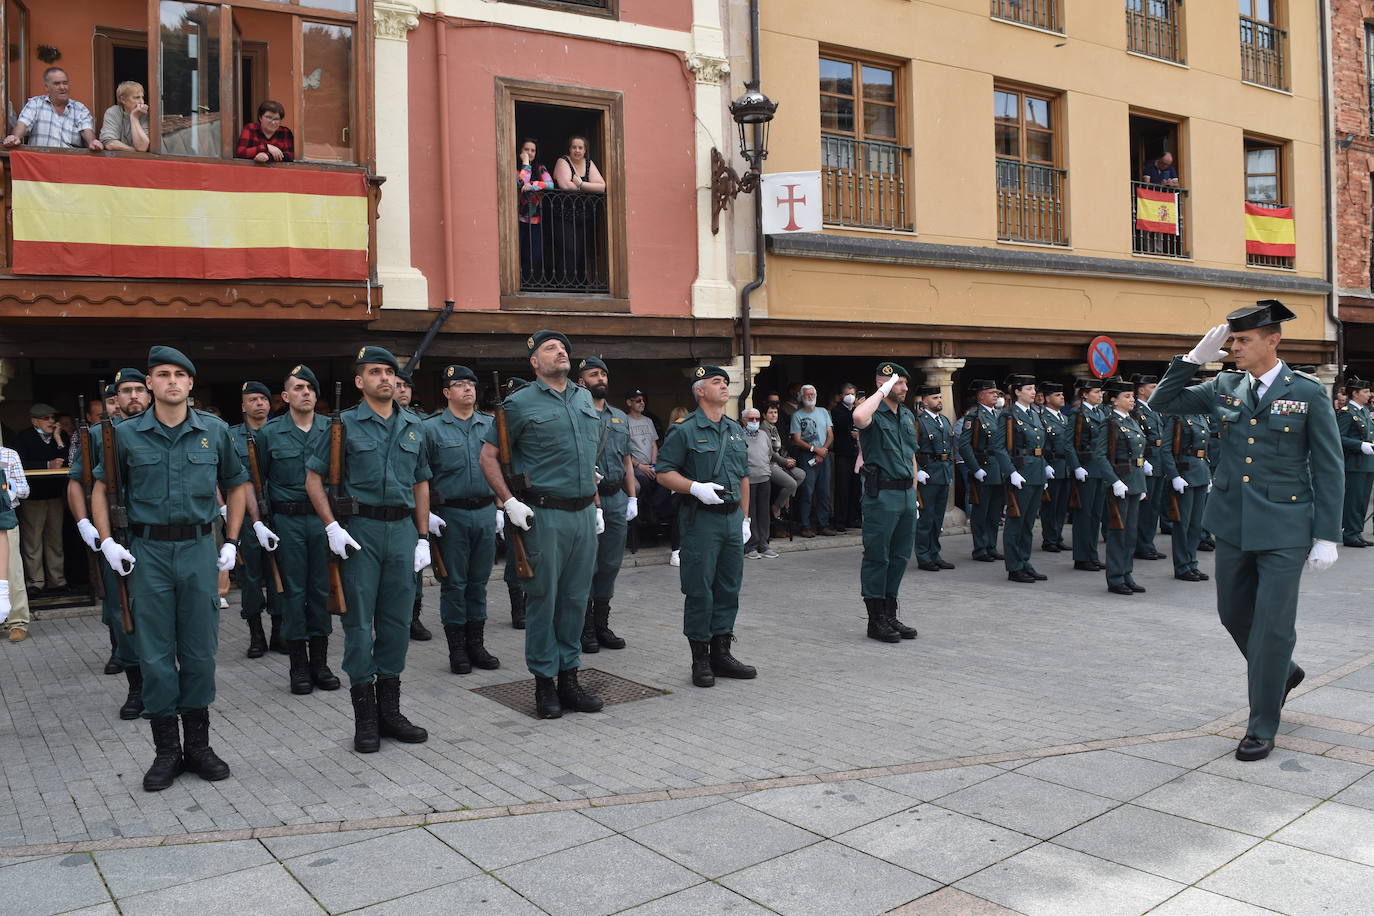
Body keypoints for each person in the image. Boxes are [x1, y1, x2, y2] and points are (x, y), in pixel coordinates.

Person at [1151, 301, 1343, 761]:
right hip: (1232, 523)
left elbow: (1329, 465)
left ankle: (1261, 724)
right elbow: (1161, 404)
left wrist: (1326, 535)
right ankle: (1285, 673)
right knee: (1234, 616)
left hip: (1285, 527)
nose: (1233, 347)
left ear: (1272, 341)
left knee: (1272, 629)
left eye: (1242, 340)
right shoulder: (1223, 384)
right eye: (1231, 340)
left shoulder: (1308, 392)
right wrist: (1192, 361)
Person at [91, 346, 247, 792]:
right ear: (151, 383)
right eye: (163, 374)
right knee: (155, 654)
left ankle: (198, 746)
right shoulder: (125, 435)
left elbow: (237, 486)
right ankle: (166, 751)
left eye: (181, 374)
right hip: (148, 553)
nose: (172, 381)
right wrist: (106, 542)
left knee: (199, 651)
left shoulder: (214, 432)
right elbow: (100, 489)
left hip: (199, 547)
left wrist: (232, 541)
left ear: (191, 384)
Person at [306, 346, 433, 753]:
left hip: (400, 529)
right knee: (360, 626)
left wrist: (423, 536)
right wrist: (331, 527)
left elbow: (421, 483)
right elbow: (313, 478)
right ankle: (365, 718)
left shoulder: (414, 426)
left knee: (396, 622)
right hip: (359, 531)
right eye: (375, 372)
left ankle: (390, 712)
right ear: (359, 382)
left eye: (390, 373)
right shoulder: (342, 426)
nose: (385, 379)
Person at [479, 331, 604, 718]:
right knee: (543, 600)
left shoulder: (585, 397)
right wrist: (509, 501)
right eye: (550, 348)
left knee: (575, 600)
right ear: (534, 362)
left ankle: (570, 679)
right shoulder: (518, 403)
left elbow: (588, 454)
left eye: (563, 347)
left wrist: (596, 502)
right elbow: (488, 457)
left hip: (583, 514)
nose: (561, 351)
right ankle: (544, 685)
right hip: (545, 514)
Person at [654, 366, 757, 686]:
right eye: (717, 382)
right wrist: (695, 487)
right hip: (700, 520)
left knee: (728, 587)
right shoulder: (684, 429)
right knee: (700, 589)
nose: (725, 386)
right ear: (700, 391)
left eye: (726, 382)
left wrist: (745, 517)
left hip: (730, 520)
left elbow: (743, 476)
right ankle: (700, 659)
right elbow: (663, 472)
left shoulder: (734, 429)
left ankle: (721, 653)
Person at [253, 365, 340, 696]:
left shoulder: (331, 429)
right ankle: (298, 668)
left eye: (311, 388)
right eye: (299, 388)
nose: (306, 393)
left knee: (321, 592)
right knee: (293, 595)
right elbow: (257, 480)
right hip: (287, 522)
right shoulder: (269, 434)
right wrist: (259, 522)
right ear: (286, 396)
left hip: (322, 521)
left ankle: (320, 663)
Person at [68, 369, 145, 708]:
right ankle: (136, 684)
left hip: (155, 532)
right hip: (115, 533)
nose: (132, 397)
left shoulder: (164, 429)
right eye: (123, 392)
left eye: (138, 390)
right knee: (120, 607)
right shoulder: (99, 435)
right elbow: (76, 482)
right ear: (114, 399)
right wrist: (86, 524)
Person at [422, 365, 501, 675]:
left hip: (483, 511)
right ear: (446, 392)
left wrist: (499, 508)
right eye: (459, 384)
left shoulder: (491, 425)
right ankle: (458, 650)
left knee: (478, 583)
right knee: (454, 584)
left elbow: (500, 468)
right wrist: (426, 513)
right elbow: (421, 475)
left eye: (471, 384)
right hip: (450, 514)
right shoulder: (431, 428)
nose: (467, 389)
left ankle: (476, 645)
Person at [850, 362, 919, 643]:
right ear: (884, 384)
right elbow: (858, 416)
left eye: (904, 383)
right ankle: (875, 619)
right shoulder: (872, 412)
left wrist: (914, 493)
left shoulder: (904, 414)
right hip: (882, 496)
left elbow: (911, 454)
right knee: (878, 556)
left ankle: (890, 614)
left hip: (904, 494)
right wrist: (881, 391)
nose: (903, 388)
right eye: (898, 383)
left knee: (900, 557)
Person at [578, 358, 636, 653]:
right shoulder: (578, 415)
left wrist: (633, 496)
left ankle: (602, 625)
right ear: (580, 382)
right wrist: (596, 503)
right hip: (588, 500)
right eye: (593, 374)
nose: (600, 378)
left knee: (610, 564)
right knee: (588, 564)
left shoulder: (619, 417)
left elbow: (626, 458)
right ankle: (585, 628)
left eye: (603, 373)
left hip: (617, 498)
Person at [228, 382, 283, 658]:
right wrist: (223, 509)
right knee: (250, 577)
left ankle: (278, 632)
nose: (260, 403)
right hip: (247, 518)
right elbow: (221, 476)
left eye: (263, 398)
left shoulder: (278, 432)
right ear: (243, 406)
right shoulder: (230, 436)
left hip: (279, 512)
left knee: (279, 575)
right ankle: (256, 635)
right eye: (253, 399)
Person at [993, 375, 1051, 584]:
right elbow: (998, 447)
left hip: (1035, 471)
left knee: (1028, 523)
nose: (1033, 392)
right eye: (1028, 389)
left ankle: (1025, 562)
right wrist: (1011, 472)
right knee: (1016, 522)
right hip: (1020, 472)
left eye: (1034, 388)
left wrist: (1044, 469)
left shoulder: (1035, 414)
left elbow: (1039, 447)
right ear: (1017, 392)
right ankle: (1014, 566)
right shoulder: (1008, 415)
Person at [1097, 378, 1149, 596]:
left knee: (1130, 533)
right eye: (1127, 397)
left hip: (1135, 482)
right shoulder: (1109, 423)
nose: (1132, 400)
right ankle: (1115, 577)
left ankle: (1127, 574)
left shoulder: (1132, 420)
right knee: (1118, 532)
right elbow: (1100, 456)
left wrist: (1142, 480)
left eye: (1132, 396)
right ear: (1114, 400)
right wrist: (1114, 481)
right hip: (1120, 482)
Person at [15, 403, 68, 594]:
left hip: (54, 495)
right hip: (33, 496)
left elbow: (68, 459)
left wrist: (58, 439)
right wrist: (47, 464)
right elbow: (19, 462)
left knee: (55, 539)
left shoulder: (59, 436)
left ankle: (58, 581)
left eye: (53, 418)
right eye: (46, 418)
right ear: (34, 421)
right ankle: (35, 583)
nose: (52, 421)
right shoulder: (24, 437)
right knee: (33, 541)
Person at [1159, 409, 1212, 582]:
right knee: (1182, 524)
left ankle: (1191, 563)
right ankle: (1182, 566)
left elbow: (1205, 447)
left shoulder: (1201, 416)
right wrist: (1174, 476)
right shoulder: (1178, 418)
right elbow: (1166, 449)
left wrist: (1208, 473)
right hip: (1185, 474)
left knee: (1196, 524)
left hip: (1201, 473)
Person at [957, 379, 1006, 563]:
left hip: (999, 469)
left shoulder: (999, 415)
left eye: (997, 392)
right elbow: (964, 446)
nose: (996, 395)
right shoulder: (974, 416)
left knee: (995, 513)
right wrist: (975, 468)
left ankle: (991, 546)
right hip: (984, 468)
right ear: (980, 396)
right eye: (992, 392)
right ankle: (980, 548)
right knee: (981, 512)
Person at [3, 67, 103, 151]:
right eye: (57, 83)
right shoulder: (35, 103)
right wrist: (15, 137)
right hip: (39, 164)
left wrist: (92, 142)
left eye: (65, 83)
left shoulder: (80, 108)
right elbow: (23, 124)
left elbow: (86, 131)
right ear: (47, 87)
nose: (62, 87)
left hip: (70, 164)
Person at [552, 136, 607, 286]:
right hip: (564, 215)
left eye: (580, 148)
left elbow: (602, 186)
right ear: (569, 149)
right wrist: (589, 187)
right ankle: (565, 285)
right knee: (569, 250)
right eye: (574, 147)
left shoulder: (588, 163)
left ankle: (579, 285)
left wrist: (581, 184)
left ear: (585, 150)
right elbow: (565, 185)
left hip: (584, 216)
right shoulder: (563, 161)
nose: (577, 150)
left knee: (582, 251)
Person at [913, 384, 955, 572]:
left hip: (943, 472)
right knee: (926, 518)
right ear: (925, 401)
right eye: (935, 398)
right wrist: (918, 470)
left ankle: (935, 554)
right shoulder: (919, 421)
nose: (939, 400)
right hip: (928, 474)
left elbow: (950, 447)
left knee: (938, 518)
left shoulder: (944, 421)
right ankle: (923, 556)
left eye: (940, 397)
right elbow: (912, 448)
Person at [1069, 378, 1108, 571]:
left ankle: (1092, 554)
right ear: (1084, 394)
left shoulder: (1101, 413)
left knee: (1095, 515)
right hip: (1085, 468)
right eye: (1096, 392)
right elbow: (1068, 443)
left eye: (1101, 392)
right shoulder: (1078, 414)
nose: (1100, 395)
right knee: (1084, 515)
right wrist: (1076, 466)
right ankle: (1081, 556)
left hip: (1100, 469)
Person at [791, 384, 837, 537]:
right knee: (807, 492)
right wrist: (814, 449)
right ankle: (805, 525)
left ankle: (823, 524)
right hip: (806, 457)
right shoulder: (797, 415)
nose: (810, 397)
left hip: (823, 455)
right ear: (801, 397)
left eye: (812, 394)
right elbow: (796, 440)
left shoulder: (824, 412)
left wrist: (822, 451)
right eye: (807, 395)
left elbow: (830, 434)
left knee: (824, 491)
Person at [1038, 381, 1078, 553]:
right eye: (1057, 395)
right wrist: (1045, 466)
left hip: (1065, 466)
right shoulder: (1042, 418)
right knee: (1050, 506)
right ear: (1047, 399)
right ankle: (1049, 539)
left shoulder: (1065, 417)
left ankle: (1058, 536)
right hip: (1052, 464)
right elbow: (1040, 445)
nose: (1062, 397)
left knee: (1062, 506)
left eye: (1062, 395)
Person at [1131, 374, 1167, 562]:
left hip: (1159, 460)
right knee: (1144, 506)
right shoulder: (1136, 410)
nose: (1156, 390)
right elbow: (1135, 439)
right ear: (1141, 390)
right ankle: (1140, 545)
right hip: (1148, 460)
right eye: (1153, 386)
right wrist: (1143, 460)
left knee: (1154, 507)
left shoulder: (1155, 409)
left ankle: (1148, 543)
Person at [1336, 376, 1374, 547]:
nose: (1369, 394)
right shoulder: (1346, 412)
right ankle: (1349, 533)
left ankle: (1356, 531)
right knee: (1354, 499)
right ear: (1355, 393)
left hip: (1368, 462)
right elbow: (1338, 437)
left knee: (1363, 499)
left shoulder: (1365, 411)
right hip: (1354, 463)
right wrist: (1360, 445)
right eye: (1365, 391)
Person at [0, 442, 29, 644]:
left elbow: (24, 490)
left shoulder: (9, 455)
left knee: (12, 571)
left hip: (5, 519)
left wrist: (8, 489)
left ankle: (18, 622)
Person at [518, 138, 554, 284]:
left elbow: (550, 184)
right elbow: (520, 182)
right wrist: (525, 164)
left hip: (535, 220)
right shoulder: (516, 168)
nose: (530, 153)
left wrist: (533, 185)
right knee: (520, 254)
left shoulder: (540, 169)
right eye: (526, 149)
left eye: (533, 150)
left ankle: (529, 283)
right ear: (520, 151)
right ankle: (519, 283)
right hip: (518, 219)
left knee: (535, 256)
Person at [762, 402, 802, 531]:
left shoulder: (774, 427)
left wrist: (789, 459)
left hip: (779, 462)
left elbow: (780, 448)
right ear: (764, 415)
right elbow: (771, 452)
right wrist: (784, 462)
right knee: (791, 484)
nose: (774, 415)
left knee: (801, 475)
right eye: (770, 412)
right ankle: (777, 507)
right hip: (769, 464)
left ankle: (786, 500)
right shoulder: (764, 428)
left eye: (775, 412)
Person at [741, 408, 775, 559]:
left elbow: (769, 453)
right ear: (743, 420)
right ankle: (750, 546)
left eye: (756, 419)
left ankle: (764, 543)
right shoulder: (739, 436)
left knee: (763, 513)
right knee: (750, 513)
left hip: (764, 477)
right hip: (748, 480)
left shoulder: (763, 435)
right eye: (750, 419)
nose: (754, 422)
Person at [831, 382, 861, 530]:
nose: (850, 397)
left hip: (857, 453)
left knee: (856, 487)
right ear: (842, 396)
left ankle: (854, 518)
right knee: (842, 487)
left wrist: (858, 435)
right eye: (847, 394)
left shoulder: (859, 410)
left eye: (852, 394)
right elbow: (842, 423)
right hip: (843, 454)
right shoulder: (837, 410)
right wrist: (854, 411)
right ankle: (840, 520)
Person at [99, 81, 150, 153]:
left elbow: (142, 147)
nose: (142, 102)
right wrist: (134, 151)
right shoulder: (113, 112)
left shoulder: (145, 114)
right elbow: (110, 143)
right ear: (123, 100)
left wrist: (134, 117)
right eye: (137, 98)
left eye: (142, 97)